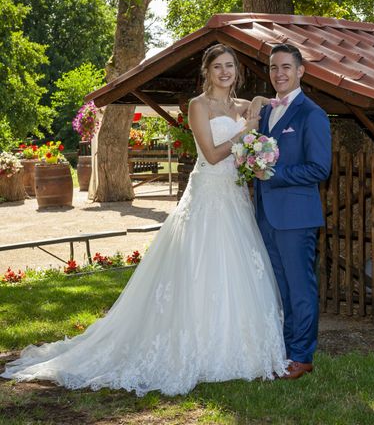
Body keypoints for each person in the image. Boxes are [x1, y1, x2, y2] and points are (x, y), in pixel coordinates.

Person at [1, 44, 289, 396]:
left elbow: (258, 107)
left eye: (230, 66)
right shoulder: (198, 106)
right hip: (206, 197)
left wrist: (258, 106)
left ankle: (236, 346)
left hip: (234, 199)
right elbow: (213, 155)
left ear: (237, 72)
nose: (225, 72)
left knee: (237, 270)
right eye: (218, 67)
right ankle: (193, 345)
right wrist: (246, 132)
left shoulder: (241, 106)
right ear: (207, 71)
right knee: (199, 269)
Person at [254, 43, 332, 380]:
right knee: (280, 288)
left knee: (301, 290)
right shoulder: (266, 113)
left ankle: (302, 355)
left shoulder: (311, 114)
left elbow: (320, 169)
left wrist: (274, 173)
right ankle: (285, 351)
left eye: (286, 67)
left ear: (301, 71)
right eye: (273, 67)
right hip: (266, 215)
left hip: (297, 218)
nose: (279, 73)